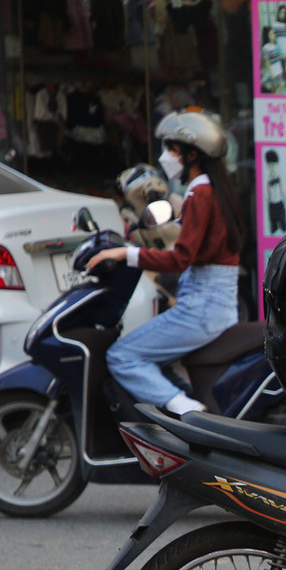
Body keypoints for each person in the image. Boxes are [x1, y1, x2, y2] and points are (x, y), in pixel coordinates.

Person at [87, 109, 245, 416]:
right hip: (214, 305)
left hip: (201, 308)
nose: (166, 157)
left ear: (192, 154)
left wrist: (125, 254)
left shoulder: (199, 194)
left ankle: (189, 413)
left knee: (122, 356)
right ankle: (179, 405)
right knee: (153, 359)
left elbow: (181, 257)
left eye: (172, 149)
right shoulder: (213, 191)